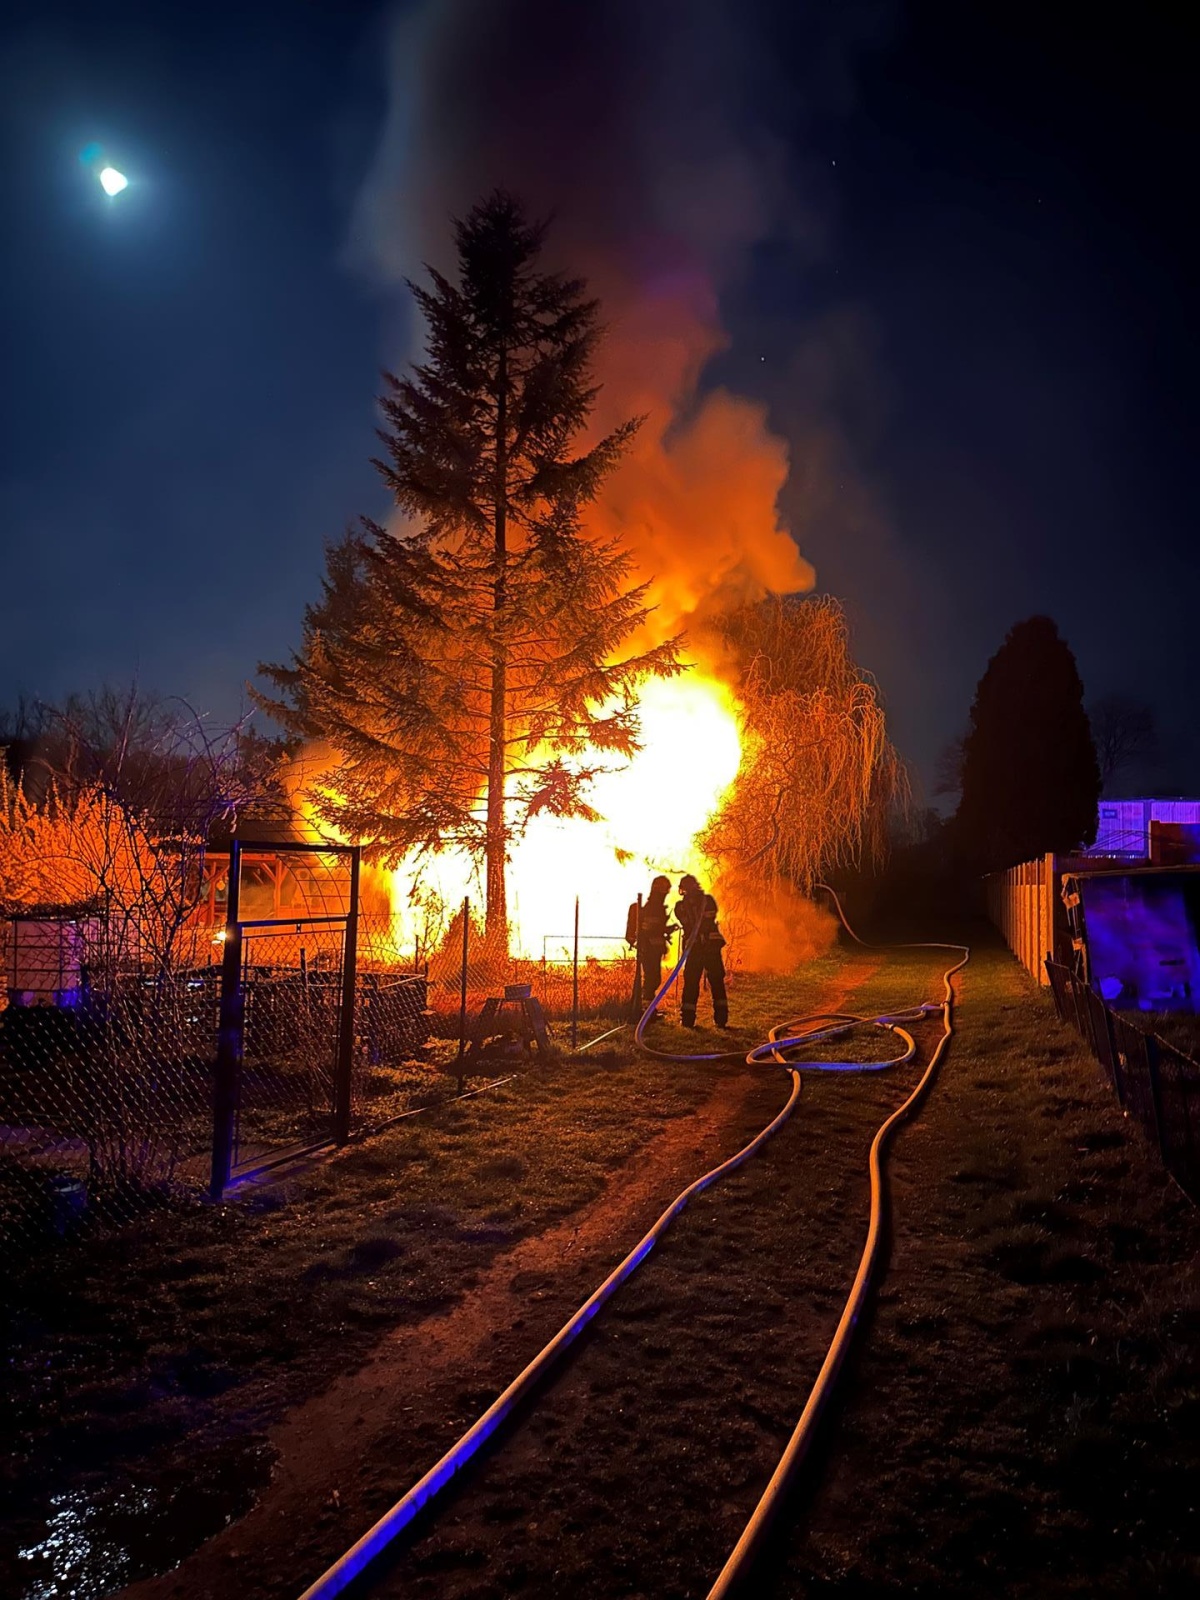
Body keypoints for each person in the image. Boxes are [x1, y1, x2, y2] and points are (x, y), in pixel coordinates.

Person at [675, 874, 728, 1028]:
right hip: (702, 948)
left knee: (707, 982)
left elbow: (704, 921)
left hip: (704, 948)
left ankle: (693, 1020)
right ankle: (695, 1020)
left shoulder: (705, 902)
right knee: (703, 982)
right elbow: (688, 921)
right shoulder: (684, 906)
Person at [626, 875, 674, 1015]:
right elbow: (650, 929)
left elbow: (656, 928)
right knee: (651, 980)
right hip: (648, 949)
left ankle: (648, 1010)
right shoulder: (650, 908)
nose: (665, 895)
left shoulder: (657, 908)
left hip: (654, 949)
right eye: (664, 892)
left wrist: (666, 930)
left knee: (653, 980)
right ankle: (646, 1012)